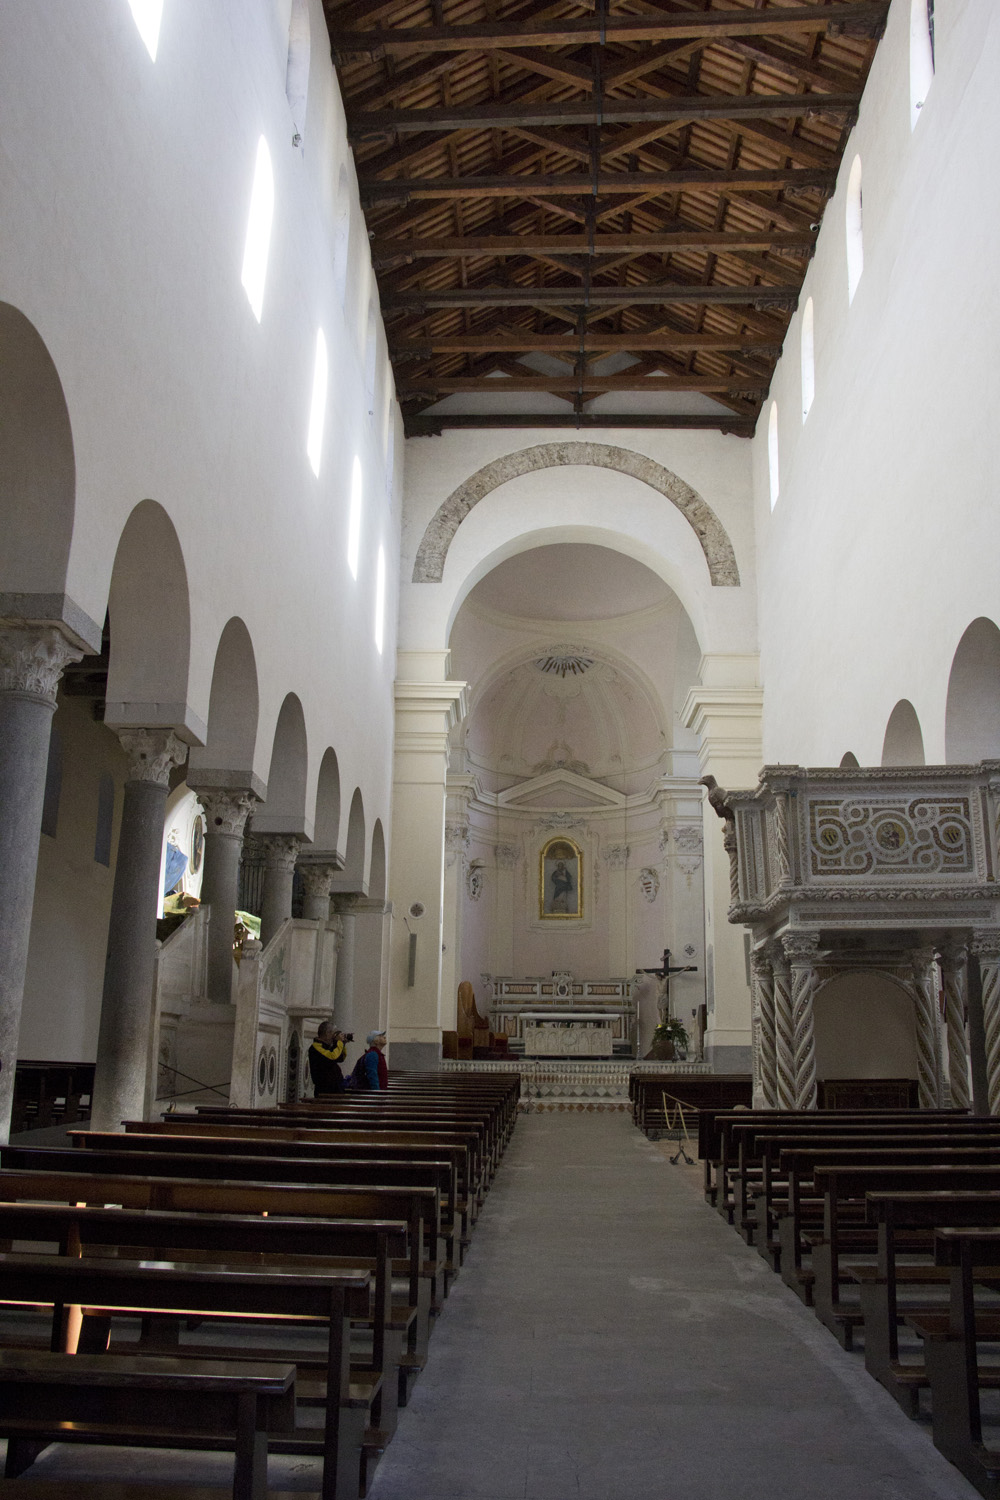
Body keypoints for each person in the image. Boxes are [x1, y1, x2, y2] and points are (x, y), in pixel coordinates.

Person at [308, 1021, 347, 1095]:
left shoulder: (328, 1046)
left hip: (335, 1088)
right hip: (325, 1090)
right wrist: (339, 1043)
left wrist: (343, 1044)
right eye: (335, 1033)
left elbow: (340, 1058)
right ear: (327, 1033)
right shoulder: (316, 1047)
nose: (335, 1036)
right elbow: (332, 1057)